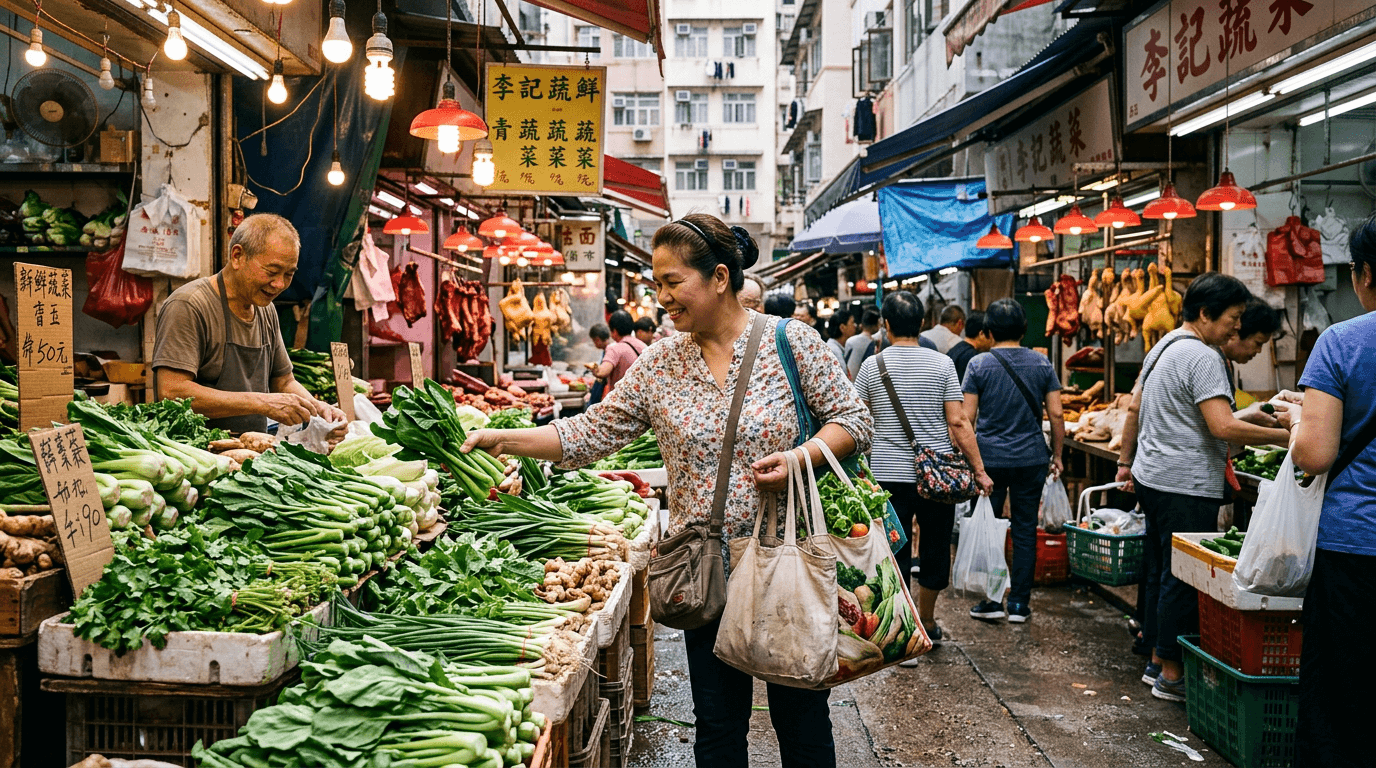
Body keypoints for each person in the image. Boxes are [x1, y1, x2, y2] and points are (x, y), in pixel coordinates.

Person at [461, 213, 872, 768]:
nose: (661, 299)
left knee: (802, 724)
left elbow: (853, 418)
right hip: (705, 573)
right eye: (657, 285)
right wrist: (502, 437)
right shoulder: (661, 362)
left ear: (720, 278)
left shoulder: (790, 342)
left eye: (672, 283)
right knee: (718, 726)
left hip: (787, 565)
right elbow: (590, 432)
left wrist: (803, 455)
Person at [1114, 273, 1293, 703]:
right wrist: (1293, 437)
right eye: (1232, 318)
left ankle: (1157, 661)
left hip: (1154, 477)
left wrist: (1260, 415)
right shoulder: (1203, 356)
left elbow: (1197, 421)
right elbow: (1222, 427)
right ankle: (1172, 674)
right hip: (1185, 483)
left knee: (1162, 570)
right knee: (1182, 578)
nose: (1237, 327)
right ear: (1206, 314)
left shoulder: (1166, 345)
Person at [853, 291, 992, 653]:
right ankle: (927, 621)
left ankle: (904, 631)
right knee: (934, 547)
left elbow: (858, 421)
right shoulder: (943, 364)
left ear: (885, 325)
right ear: (921, 324)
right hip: (937, 476)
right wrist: (978, 469)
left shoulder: (872, 366)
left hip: (885, 476)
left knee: (893, 551)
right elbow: (959, 422)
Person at [1291, 217, 1376, 768]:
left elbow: (1315, 455)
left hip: (1355, 548)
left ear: (1364, 275)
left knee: (1345, 691)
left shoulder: (1342, 342)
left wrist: (1299, 421)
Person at [152, 214, 346, 432]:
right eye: (272, 272)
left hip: (250, 454)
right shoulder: (189, 305)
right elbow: (171, 392)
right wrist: (263, 403)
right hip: (197, 455)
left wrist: (319, 410)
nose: (280, 284)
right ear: (237, 256)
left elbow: (283, 381)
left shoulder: (266, 310)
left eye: (289, 274)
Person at [962, 299, 1064, 624]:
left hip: (989, 458)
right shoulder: (1042, 364)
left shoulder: (978, 365)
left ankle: (992, 600)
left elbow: (966, 418)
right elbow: (1057, 413)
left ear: (988, 331)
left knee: (990, 529)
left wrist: (972, 463)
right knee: (1024, 529)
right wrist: (1058, 454)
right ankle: (1019, 604)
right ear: (1024, 329)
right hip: (1032, 457)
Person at [592, 310, 646, 396]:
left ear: (614, 331)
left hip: (621, 401)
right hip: (641, 398)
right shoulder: (643, 346)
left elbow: (602, 372)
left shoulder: (614, 348)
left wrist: (593, 369)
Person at [947, 310, 993, 382]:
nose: (992, 342)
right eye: (991, 336)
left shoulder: (954, 350)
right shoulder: (974, 358)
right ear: (981, 334)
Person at [845, 309, 880, 379]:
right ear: (875, 325)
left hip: (847, 382)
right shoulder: (871, 343)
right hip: (861, 384)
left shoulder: (850, 341)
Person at [585, 324, 612, 405]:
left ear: (597, 339)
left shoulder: (610, 352)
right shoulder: (607, 350)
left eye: (594, 341)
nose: (594, 344)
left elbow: (604, 376)